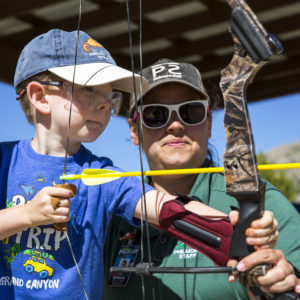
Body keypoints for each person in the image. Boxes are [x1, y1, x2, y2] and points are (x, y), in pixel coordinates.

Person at [0, 30, 275, 300]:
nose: (104, 105)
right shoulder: (4, 160)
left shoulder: (103, 176)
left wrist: (235, 231)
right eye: (89, 89)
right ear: (40, 97)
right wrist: (27, 215)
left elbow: (167, 208)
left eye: (111, 96)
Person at [103, 59, 300, 300]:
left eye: (190, 112)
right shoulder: (109, 211)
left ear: (208, 123)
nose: (175, 125)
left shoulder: (260, 201)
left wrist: (281, 280)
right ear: (134, 129)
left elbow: (289, 281)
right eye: (156, 114)